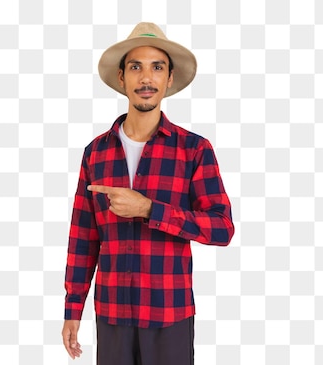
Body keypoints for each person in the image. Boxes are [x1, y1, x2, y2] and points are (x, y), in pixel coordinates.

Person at [61, 22, 235, 365]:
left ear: (169, 79)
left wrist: (150, 209)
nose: (146, 78)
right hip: (111, 316)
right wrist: (72, 309)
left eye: (157, 67)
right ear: (122, 77)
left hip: (169, 315)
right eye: (136, 67)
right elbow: (83, 239)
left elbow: (222, 228)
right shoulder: (95, 153)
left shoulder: (193, 150)